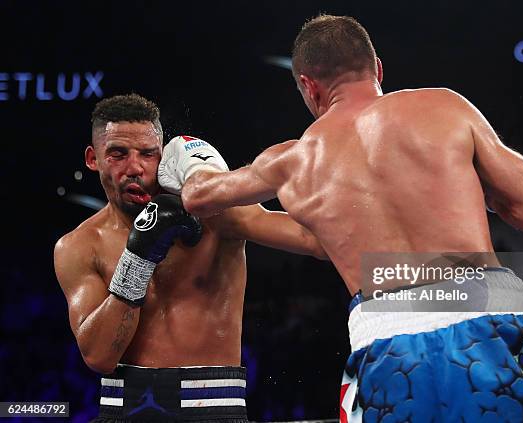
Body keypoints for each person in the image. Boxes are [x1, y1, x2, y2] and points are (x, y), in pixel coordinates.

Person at [160, 15, 523, 423]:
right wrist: (485, 182)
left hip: (388, 346)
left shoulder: (290, 161)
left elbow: (200, 196)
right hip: (490, 319)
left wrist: (190, 153)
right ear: (378, 68)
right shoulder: (444, 108)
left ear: (308, 86)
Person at [53, 94, 326, 422]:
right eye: (118, 154)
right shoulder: (79, 246)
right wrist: (137, 259)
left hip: (215, 405)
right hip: (124, 410)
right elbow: (98, 356)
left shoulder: (215, 213)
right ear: (93, 158)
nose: (135, 167)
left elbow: (316, 240)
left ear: (164, 155)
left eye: (148, 154)